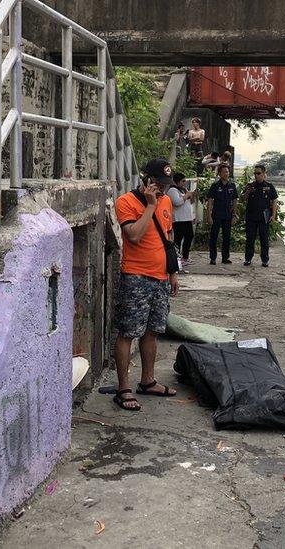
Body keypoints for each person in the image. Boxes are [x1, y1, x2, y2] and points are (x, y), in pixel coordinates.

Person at [112, 158, 180, 411]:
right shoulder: (126, 202)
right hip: (136, 276)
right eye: (159, 184)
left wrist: (173, 272)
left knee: (153, 331)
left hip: (161, 277)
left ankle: (148, 381)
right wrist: (150, 206)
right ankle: (123, 388)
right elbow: (134, 236)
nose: (162, 190)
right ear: (147, 180)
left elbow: (168, 237)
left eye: (166, 185)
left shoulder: (166, 201)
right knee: (128, 332)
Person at [242, 164, 279, 267]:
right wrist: (247, 193)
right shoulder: (250, 186)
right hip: (251, 217)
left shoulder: (269, 186)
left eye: (258, 173)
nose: (256, 175)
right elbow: (243, 199)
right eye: (255, 173)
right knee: (250, 239)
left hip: (264, 217)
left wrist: (273, 215)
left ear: (263, 174)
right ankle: (248, 259)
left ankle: (265, 260)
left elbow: (274, 201)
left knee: (264, 239)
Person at [206, 164, 237, 265]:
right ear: (219, 173)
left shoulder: (232, 186)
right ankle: (213, 258)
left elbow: (235, 201)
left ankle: (225, 258)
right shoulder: (215, 186)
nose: (226, 173)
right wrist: (209, 215)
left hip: (227, 215)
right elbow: (210, 201)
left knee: (226, 237)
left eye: (227, 172)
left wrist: (234, 215)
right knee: (214, 236)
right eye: (224, 172)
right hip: (216, 215)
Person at [167, 171, 196, 269]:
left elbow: (189, 203)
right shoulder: (172, 190)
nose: (185, 183)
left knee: (189, 236)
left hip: (186, 218)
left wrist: (191, 196)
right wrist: (187, 195)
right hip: (179, 219)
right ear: (177, 181)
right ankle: (178, 257)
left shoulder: (183, 190)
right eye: (183, 181)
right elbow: (177, 202)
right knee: (179, 239)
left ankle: (185, 256)